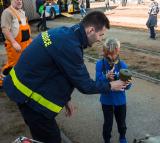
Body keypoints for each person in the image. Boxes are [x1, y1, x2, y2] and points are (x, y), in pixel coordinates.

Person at [3, 11, 128, 143]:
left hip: (22, 91)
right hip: (30, 102)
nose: (100, 39)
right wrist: (111, 85)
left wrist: (66, 99)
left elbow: (60, 69)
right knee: (52, 139)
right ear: (91, 30)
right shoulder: (70, 46)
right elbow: (86, 85)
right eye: (100, 35)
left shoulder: (65, 33)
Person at [96, 38, 132, 143]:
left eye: (115, 55)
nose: (112, 58)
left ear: (118, 52)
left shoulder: (122, 65)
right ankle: (107, 139)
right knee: (108, 123)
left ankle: (122, 137)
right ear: (103, 52)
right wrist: (106, 76)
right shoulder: (100, 64)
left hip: (120, 100)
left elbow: (128, 86)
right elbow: (97, 82)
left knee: (121, 122)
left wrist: (128, 83)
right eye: (109, 56)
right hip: (106, 101)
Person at [0, 0, 31, 91]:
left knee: (24, 64)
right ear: (11, 1)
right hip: (14, 45)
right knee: (12, 65)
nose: (19, 1)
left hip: (25, 44)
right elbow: (4, 29)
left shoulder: (22, 11)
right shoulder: (7, 12)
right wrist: (14, 43)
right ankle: (1, 83)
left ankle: (19, 83)